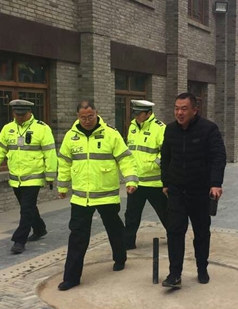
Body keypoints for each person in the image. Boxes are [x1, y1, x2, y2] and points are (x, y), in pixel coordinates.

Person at [56, 100, 138, 291]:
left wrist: (131, 180)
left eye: (90, 116)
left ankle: (120, 257)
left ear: (96, 113)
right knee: (77, 236)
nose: (87, 120)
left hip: (106, 194)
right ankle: (71, 277)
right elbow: (65, 162)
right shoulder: (71, 136)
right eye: (83, 117)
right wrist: (62, 186)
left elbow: (126, 159)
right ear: (78, 116)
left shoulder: (111, 134)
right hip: (81, 197)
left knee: (114, 228)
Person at [160, 93, 227, 289]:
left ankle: (202, 269)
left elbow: (218, 157)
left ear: (194, 110)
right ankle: (174, 274)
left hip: (200, 191)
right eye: (176, 108)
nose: (179, 113)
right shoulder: (170, 130)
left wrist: (215, 183)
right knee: (174, 232)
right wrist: (166, 182)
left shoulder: (208, 129)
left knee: (201, 232)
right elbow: (165, 157)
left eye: (184, 109)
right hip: (176, 191)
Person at [0, 99, 58, 254]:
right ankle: (39, 228)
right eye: (16, 114)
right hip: (16, 178)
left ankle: (19, 241)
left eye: (22, 114)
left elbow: (50, 153)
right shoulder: (8, 129)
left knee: (26, 210)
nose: (19, 117)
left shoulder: (42, 128)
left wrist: (50, 175)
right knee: (28, 208)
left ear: (30, 112)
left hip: (33, 178)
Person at [124, 100, 168, 250]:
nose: (136, 116)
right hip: (136, 182)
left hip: (154, 182)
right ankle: (128, 243)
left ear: (149, 113)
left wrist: (154, 164)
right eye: (134, 113)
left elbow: (167, 152)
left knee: (165, 213)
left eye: (139, 113)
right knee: (131, 215)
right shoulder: (132, 126)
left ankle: (174, 236)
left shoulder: (159, 128)